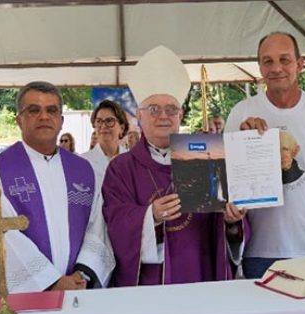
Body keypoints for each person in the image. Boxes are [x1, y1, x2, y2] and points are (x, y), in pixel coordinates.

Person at [102, 46, 247, 286]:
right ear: (139, 116)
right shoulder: (121, 168)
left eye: (171, 109)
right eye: (153, 109)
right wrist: (151, 216)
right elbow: (114, 223)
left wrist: (232, 221)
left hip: (200, 275)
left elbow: (224, 225)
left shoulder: (205, 157)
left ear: (180, 116)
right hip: (149, 285)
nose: (163, 116)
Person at [227, 31, 305, 279]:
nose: (276, 68)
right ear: (259, 66)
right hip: (259, 250)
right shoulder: (241, 113)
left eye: (285, 59)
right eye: (268, 61)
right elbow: (226, 182)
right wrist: (243, 143)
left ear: (300, 64)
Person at [0, 81, 114, 291]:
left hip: (78, 287)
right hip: (32, 295)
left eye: (52, 110)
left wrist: (82, 273)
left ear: (61, 120)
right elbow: (4, 234)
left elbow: (97, 228)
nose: (44, 116)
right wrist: (51, 282)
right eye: (34, 110)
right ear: (19, 120)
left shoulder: (83, 170)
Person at [82, 99, 129, 189]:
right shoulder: (82, 162)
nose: (103, 126)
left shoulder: (133, 162)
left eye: (109, 121)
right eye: (99, 121)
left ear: (122, 128)